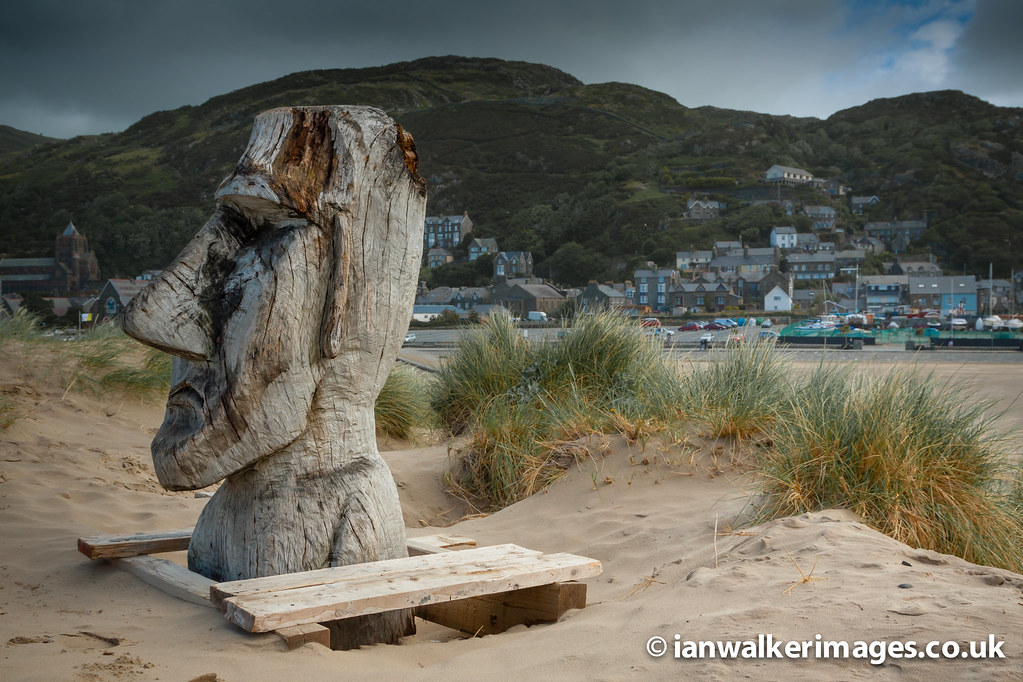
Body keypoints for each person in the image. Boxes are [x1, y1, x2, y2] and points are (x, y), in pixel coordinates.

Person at [120, 106, 426, 646]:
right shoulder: (220, 516)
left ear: (345, 301)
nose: (159, 319)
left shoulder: (353, 513)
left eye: (255, 234)